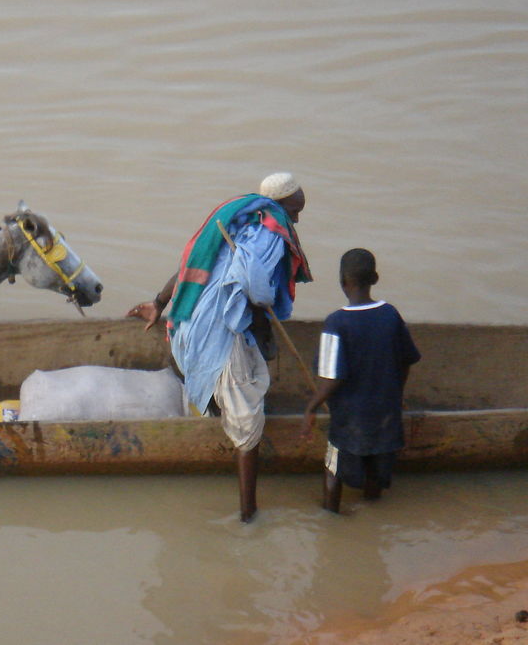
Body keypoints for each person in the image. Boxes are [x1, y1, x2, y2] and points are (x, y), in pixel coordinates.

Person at [128, 172, 312, 522]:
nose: (297, 219)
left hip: (186, 328)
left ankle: (220, 417)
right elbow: (253, 286)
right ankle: (248, 512)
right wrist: (263, 305)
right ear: (285, 203)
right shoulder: (268, 232)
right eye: (296, 210)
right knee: (248, 423)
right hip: (219, 333)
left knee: (242, 382)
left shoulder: (236, 222)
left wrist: (158, 303)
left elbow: (189, 267)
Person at [300, 248, 421, 513]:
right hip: (385, 415)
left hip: (349, 420)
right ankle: (371, 514)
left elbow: (333, 378)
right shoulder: (390, 315)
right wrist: (397, 394)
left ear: (343, 281)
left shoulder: (336, 323)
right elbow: (406, 361)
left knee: (333, 468)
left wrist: (311, 406)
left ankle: (331, 514)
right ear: (375, 278)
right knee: (376, 471)